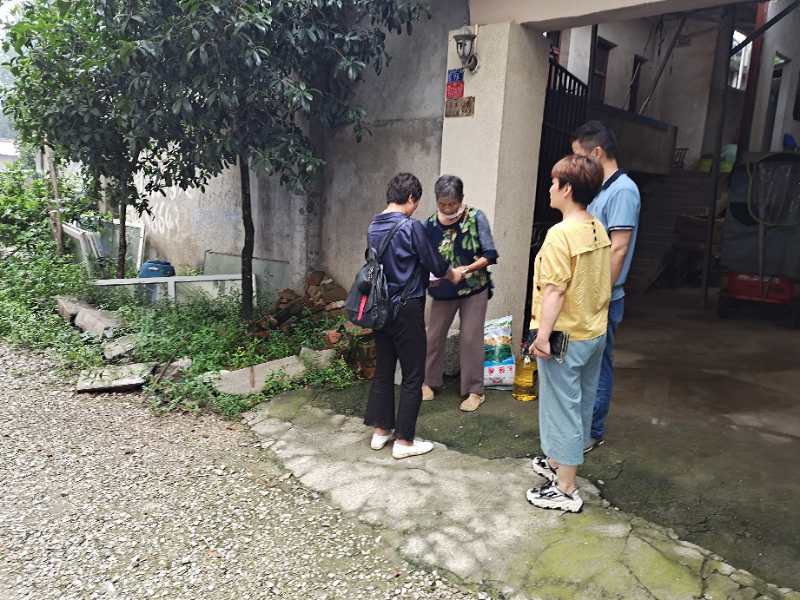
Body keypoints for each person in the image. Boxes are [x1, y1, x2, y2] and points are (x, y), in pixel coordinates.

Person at [526, 155, 611, 513]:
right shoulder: (597, 227)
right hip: (594, 330)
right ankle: (559, 462)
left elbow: (555, 290)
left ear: (567, 189)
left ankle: (565, 486)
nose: (549, 188)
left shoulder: (560, 235)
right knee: (581, 402)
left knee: (562, 407)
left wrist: (542, 337)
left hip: (565, 335)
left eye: (553, 182)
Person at [365, 173, 463, 460]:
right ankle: (404, 441)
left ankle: (381, 430)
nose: (415, 208)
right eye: (416, 202)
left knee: (384, 367)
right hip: (407, 308)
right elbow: (434, 262)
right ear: (410, 198)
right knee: (413, 374)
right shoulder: (411, 227)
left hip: (380, 307)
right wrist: (452, 274)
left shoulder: (374, 225)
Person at [571, 121, 640, 452]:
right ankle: (580, 428)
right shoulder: (601, 188)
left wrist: (600, 295)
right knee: (585, 366)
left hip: (604, 296)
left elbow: (618, 248)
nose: (576, 164)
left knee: (598, 366)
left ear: (597, 152)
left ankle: (592, 431)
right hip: (588, 293)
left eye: (579, 156)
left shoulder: (623, 190)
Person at [421, 175, 499, 412]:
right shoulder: (430, 224)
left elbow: (490, 254)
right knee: (434, 336)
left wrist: (467, 269)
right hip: (443, 289)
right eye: (442, 204)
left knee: (470, 338)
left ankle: (475, 391)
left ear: (461, 199)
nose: (447, 208)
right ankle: (429, 382)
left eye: (452, 203)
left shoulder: (476, 218)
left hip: (474, 287)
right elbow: (426, 258)